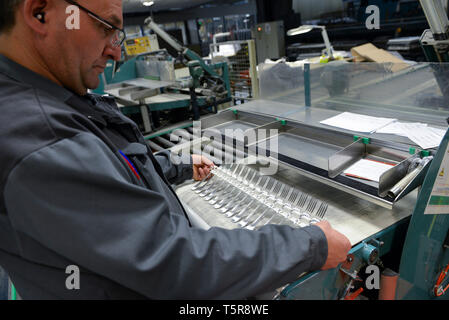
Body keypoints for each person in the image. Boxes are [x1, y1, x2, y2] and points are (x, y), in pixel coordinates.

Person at [0, 0, 351, 299]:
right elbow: (170, 262)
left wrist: (176, 164)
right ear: (41, 12)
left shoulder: (53, 102)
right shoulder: (38, 135)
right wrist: (311, 245)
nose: (115, 50)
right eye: (107, 27)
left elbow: (110, 172)